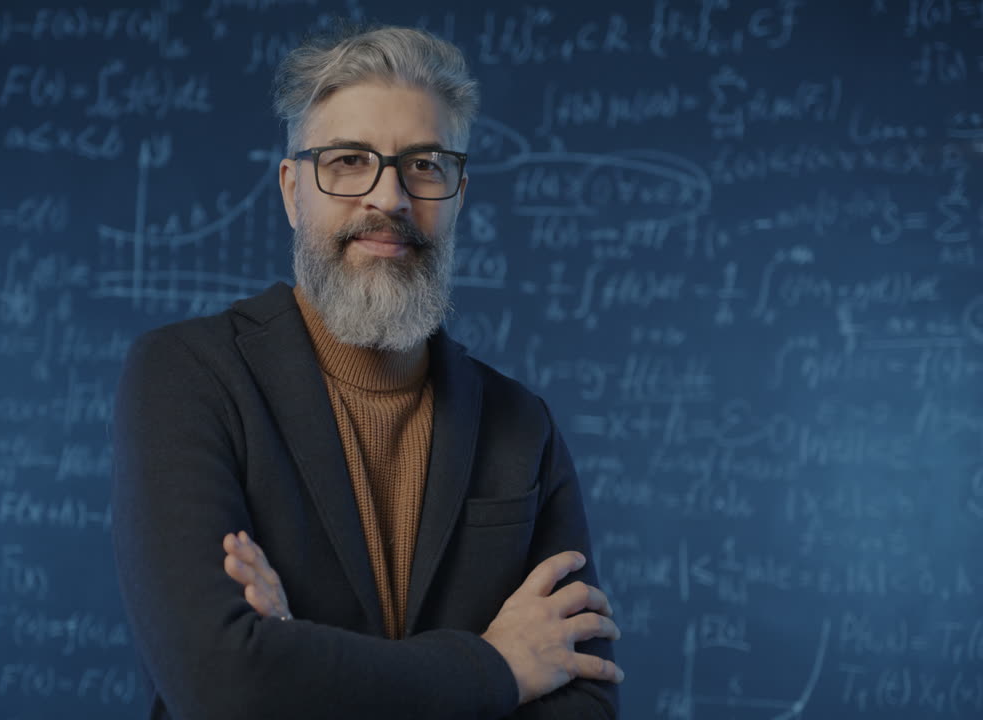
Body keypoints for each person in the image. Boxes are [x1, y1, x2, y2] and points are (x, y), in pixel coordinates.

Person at [111, 23, 623, 720]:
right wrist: (499, 665)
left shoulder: (520, 425)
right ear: (293, 191)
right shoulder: (185, 377)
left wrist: (297, 653)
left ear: (458, 193)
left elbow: (583, 699)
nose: (389, 199)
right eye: (349, 160)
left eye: (424, 164)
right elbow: (224, 683)